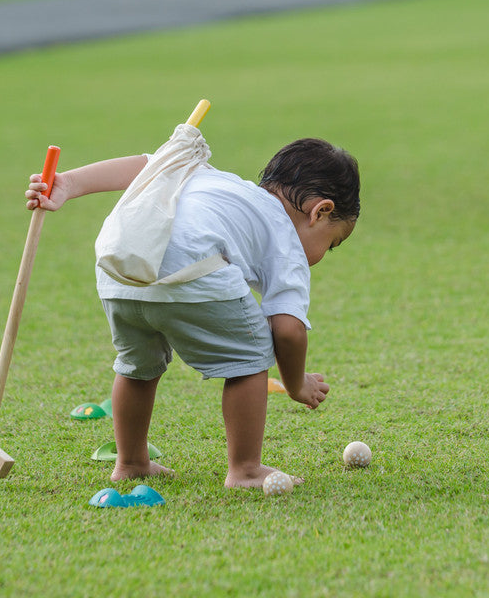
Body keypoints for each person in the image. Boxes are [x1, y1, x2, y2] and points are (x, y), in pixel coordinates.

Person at [25, 137, 360, 489]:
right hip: (194, 271)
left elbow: (147, 165)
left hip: (121, 269)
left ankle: (131, 461)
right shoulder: (286, 240)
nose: (323, 254)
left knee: (136, 366)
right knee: (251, 356)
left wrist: (69, 184)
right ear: (320, 211)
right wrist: (296, 384)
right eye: (332, 243)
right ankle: (245, 469)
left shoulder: (206, 176)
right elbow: (289, 331)